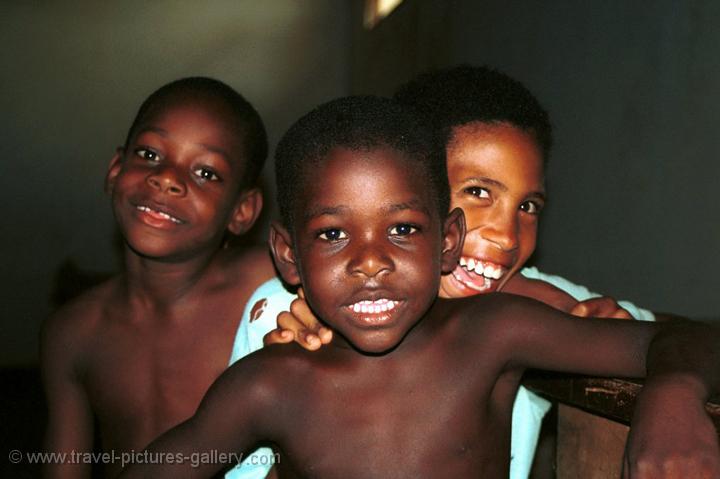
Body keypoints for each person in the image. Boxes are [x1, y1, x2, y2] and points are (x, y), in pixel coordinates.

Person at [119, 96, 720, 479]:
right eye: (333, 235)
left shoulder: (497, 331)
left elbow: (685, 340)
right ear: (287, 254)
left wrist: (674, 398)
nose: (372, 261)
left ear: (447, 239)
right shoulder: (269, 382)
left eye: (403, 228)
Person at [258, 65, 660, 478]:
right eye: (478, 192)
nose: (506, 237)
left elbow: (672, 340)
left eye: (528, 207)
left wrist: (672, 394)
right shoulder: (285, 317)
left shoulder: (529, 307)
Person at [41, 77, 278, 478]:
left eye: (206, 172)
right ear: (116, 170)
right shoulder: (73, 332)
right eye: (150, 153)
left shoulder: (272, 288)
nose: (167, 178)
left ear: (242, 210)